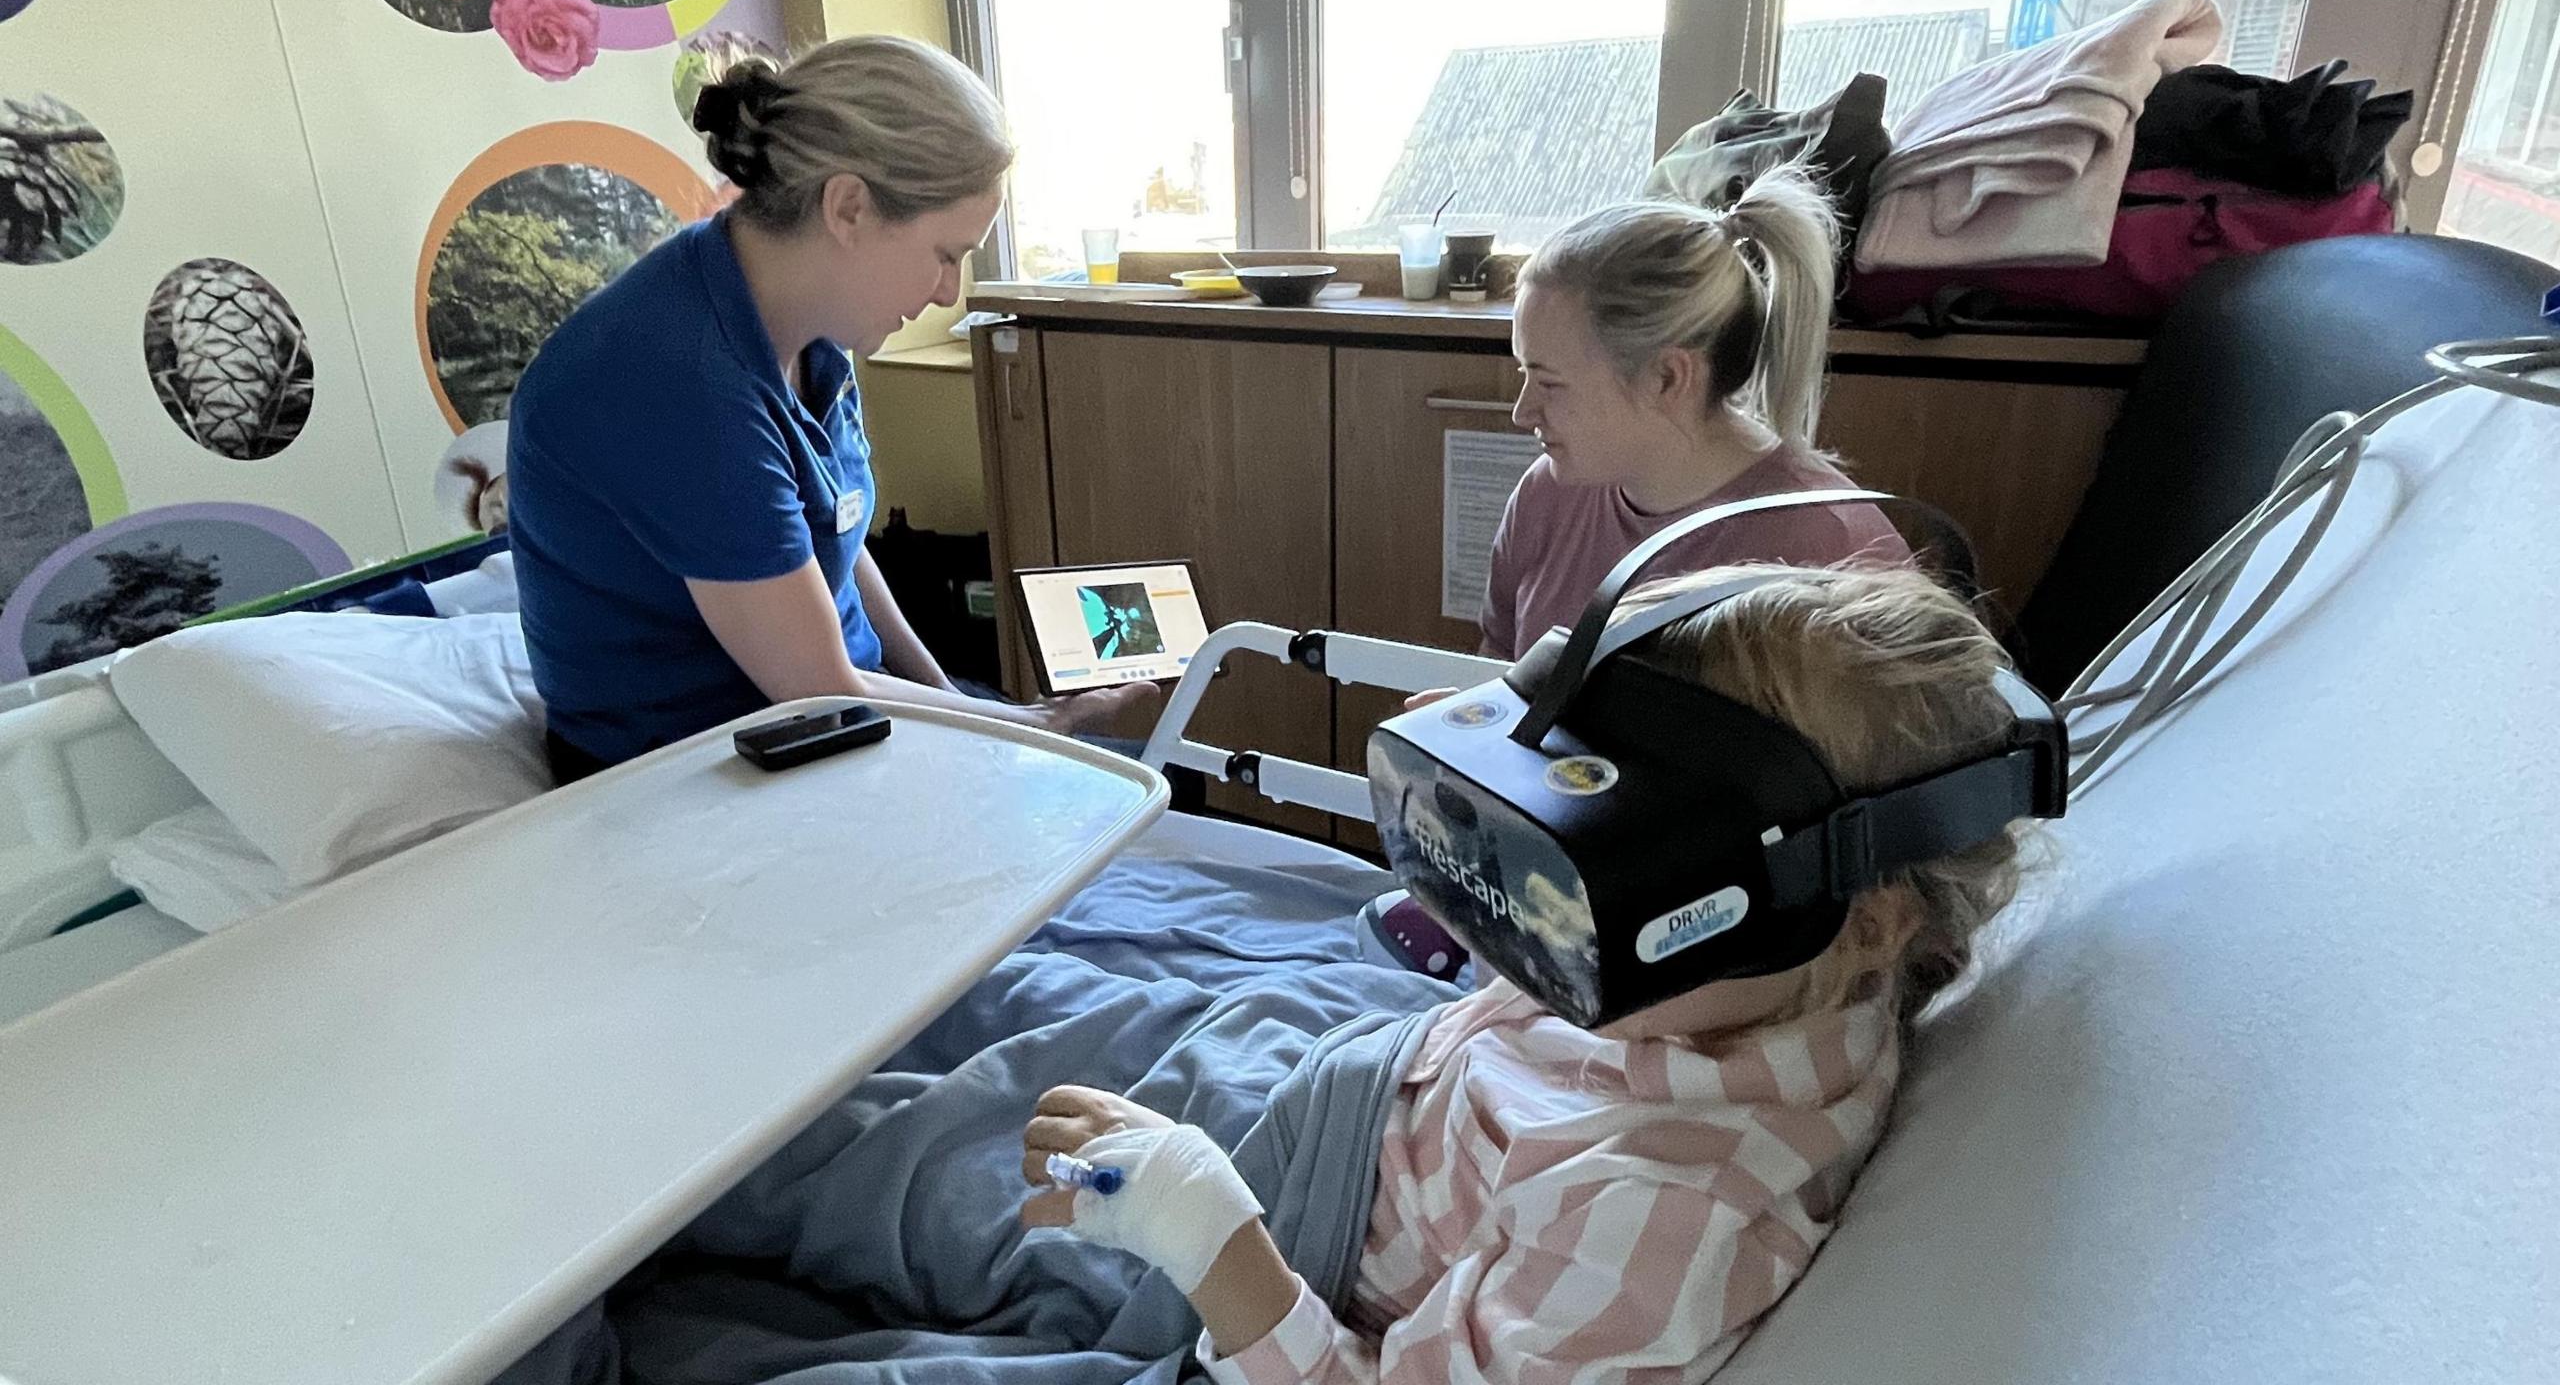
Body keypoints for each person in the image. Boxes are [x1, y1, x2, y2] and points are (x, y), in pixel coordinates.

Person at [493, 565, 2034, 1385]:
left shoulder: (1671, 1217)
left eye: (1627, 873)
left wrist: (1208, 1239)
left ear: (1869, 915)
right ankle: (649, 1068)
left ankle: (537, 1195)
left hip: (1278, 1217)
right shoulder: (1731, 985)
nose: (1575, 919)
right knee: (973, 1006)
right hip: (1356, 1055)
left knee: (903, 1177)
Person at [506, 36, 1149, 783]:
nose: (950, 293)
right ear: (848, 208)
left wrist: (957, 700)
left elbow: (830, 539)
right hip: (687, 773)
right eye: (947, 253)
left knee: (1111, 783)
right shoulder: (676, 379)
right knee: (1097, 793)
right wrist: (1024, 727)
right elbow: (817, 690)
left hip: (829, 721)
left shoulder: (808, 325)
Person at [1482, 168, 1910, 662]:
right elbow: (1500, 663)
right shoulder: (1547, 494)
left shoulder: (1835, 551)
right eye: (1524, 373)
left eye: (1550, 383)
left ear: (1668, 377)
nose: (1522, 413)